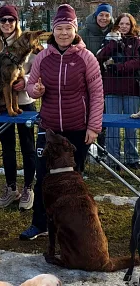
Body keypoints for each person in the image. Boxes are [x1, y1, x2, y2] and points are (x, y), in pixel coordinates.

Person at [20, 4, 104, 240]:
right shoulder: (43, 57)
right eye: (59, 28)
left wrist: (94, 127)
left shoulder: (87, 58)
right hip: (49, 128)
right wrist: (36, 90)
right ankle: (40, 224)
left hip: (77, 128)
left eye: (68, 28)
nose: (64, 33)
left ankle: (71, 228)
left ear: (75, 30)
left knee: (72, 183)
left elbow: (97, 94)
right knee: (43, 178)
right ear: (53, 31)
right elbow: (30, 87)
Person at [0, 5, 36, 210]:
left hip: (25, 102)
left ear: (17, 22)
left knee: (28, 146)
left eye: (11, 20)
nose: (7, 24)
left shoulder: (27, 42)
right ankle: (11, 187)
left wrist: (25, 80)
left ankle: (28, 188)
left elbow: (39, 70)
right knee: (7, 148)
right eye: (3, 20)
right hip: (2, 104)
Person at [96, 13, 140, 170]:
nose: (124, 27)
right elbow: (99, 58)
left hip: (131, 89)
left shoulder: (136, 42)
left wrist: (118, 67)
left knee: (131, 126)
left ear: (131, 26)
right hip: (112, 88)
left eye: (127, 24)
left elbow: (136, 61)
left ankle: (132, 158)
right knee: (112, 126)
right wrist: (113, 44)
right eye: (121, 23)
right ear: (117, 25)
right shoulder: (108, 40)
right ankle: (113, 159)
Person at [78, 3, 113, 156]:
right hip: (88, 80)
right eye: (101, 15)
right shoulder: (85, 33)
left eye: (107, 15)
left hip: (109, 80)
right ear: (96, 16)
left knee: (104, 115)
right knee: (86, 115)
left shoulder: (115, 33)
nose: (104, 18)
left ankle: (102, 150)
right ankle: (84, 151)